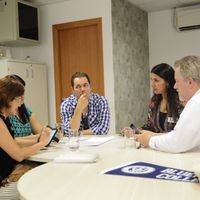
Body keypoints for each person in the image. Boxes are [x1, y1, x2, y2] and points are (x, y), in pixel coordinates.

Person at [134, 55, 200, 153]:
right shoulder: (155, 101)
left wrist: (149, 140)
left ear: (190, 82)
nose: (175, 86)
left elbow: (177, 142)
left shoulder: (195, 103)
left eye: (177, 81)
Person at [0, 77, 50, 198]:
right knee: (42, 184)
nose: (21, 103)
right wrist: (41, 143)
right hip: (3, 184)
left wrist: (38, 139)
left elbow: (13, 143)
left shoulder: (4, 119)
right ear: (9, 99)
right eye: (19, 99)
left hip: (7, 174)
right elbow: (18, 154)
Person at [123, 63, 183, 136]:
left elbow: (180, 134)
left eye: (156, 80)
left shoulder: (180, 102)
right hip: (155, 145)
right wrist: (134, 131)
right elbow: (149, 126)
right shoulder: (154, 101)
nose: (152, 84)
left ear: (167, 82)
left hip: (173, 145)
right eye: (152, 80)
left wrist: (153, 135)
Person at [5, 74, 60, 147]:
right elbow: (12, 141)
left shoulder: (26, 111)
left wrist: (49, 133)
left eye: (23, 93)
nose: (22, 98)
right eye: (18, 94)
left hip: (28, 150)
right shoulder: (5, 113)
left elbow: (39, 131)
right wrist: (39, 138)